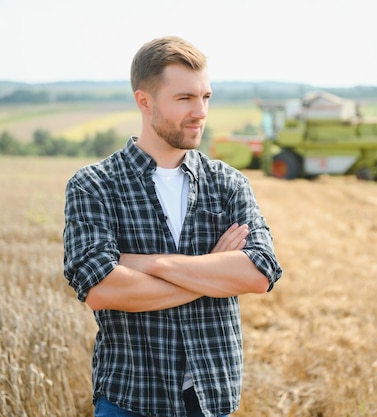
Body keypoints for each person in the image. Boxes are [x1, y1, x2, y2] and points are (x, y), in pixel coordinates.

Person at [63, 35, 282, 417]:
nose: (200, 112)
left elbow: (258, 273)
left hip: (210, 398)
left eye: (206, 97)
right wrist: (212, 268)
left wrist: (153, 264)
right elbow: (100, 288)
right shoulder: (94, 184)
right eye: (185, 99)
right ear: (144, 101)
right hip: (130, 397)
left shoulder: (228, 184)